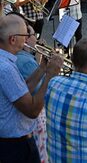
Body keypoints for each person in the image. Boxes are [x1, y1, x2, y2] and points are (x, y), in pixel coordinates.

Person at [0, 14, 63, 163]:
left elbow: (24, 89)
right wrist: (50, 76)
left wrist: (42, 68)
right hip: (14, 147)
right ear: (13, 39)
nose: (27, 38)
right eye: (25, 35)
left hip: (14, 144)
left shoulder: (7, 62)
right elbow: (33, 110)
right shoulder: (6, 69)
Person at [16, 23, 48, 163]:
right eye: (34, 35)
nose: (36, 38)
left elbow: (33, 78)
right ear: (26, 39)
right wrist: (51, 74)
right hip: (33, 121)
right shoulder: (25, 61)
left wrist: (41, 62)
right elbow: (41, 92)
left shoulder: (24, 57)